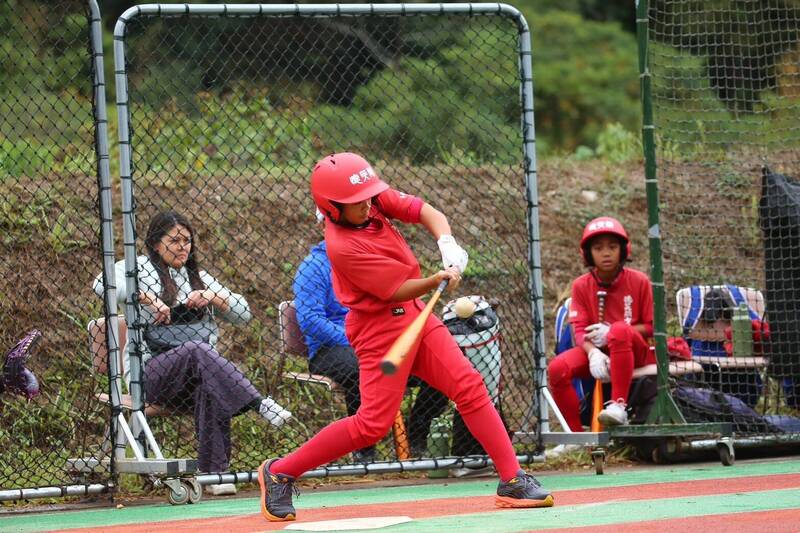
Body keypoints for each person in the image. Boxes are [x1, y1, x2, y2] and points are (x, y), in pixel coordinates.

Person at [257, 152, 553, 522]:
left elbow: (424, 211)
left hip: (415, 315)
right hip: (379, 331)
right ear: (332, 208)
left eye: (368, 196)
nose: (367, 204)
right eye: (356, 202)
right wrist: (437, 279)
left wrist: (446, 241)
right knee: (371, 426)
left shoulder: (371, 199)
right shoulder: (342, 246)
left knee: (469, 385)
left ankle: (512, 479)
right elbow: (396, 289)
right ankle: (280, 471)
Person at [92, 211, 291, 496]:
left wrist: (212, 297)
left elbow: (243, 313)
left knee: (208, 385)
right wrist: (148, 299)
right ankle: (259, 404)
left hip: (189, 380)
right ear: (156, 243)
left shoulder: (198, 277)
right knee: (197, 350)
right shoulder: (137, 268)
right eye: (174, 240)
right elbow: (102, 284)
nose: (182, 247)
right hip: (148, 377)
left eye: (187, 241)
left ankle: (214, 474)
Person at [293, 217, 449, 461]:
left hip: (376, 340)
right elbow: (310, 320)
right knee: (359, 368)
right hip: (330, 349)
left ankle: (417, 435)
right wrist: (354, 339)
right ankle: (364, 452)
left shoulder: (368, 260)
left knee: (439, 366)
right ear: (323, 226)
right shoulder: (314, 266)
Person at [547, 216, 655, 434]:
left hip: (633, 350)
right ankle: (574, 435)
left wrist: (614, 332)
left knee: (619, 330)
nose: (606, 253)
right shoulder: (580, 285)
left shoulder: (640, 280)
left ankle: (618, 406)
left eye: (612, 247)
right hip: (599, 351)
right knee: (557, 368)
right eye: (598, 248)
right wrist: (593, 352)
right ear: (588, 253)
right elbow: (579, 330)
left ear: (623, 250)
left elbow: (651, 327)